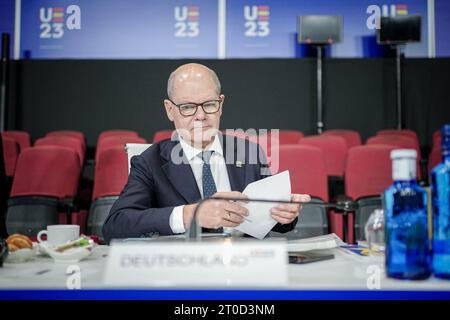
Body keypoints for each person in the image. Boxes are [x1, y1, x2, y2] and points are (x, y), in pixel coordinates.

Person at [102, 63, 311, 244]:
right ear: (169, 109)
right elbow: (115, 226)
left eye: (209, 104)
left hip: (244, 268)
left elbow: (273, 221)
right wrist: (190, 214)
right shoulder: (150, 161)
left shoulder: (250, 152)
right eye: (187, 107)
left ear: (221, 105)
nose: (201, 116)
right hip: (182, 273)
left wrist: (285, 215)